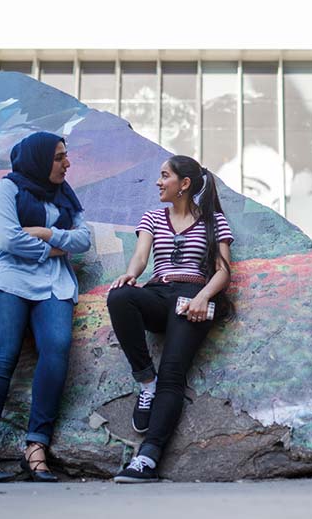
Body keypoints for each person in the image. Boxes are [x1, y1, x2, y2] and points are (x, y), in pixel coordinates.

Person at [0, 131, 91, 483]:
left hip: (53, 283)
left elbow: (83, 239)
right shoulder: (6, 189)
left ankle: (36, 446)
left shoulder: (65, 195)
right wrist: (53, 249)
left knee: (56, 350)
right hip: (7, 279)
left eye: (66, 155)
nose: (66, 163)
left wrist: (46, 233)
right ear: (38, 159)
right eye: (58, 157)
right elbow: (7, 238)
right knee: (2, 356)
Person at [107, 155, 233, 484]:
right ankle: (145, 381)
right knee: (119, 296)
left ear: (184, 184)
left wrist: (203, 297)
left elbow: (223, 272)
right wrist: (130, 276)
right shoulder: (152, 218)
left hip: (192, 298)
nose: (158, 182)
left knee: (173, 375)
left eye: (165, 176)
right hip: (158, 293)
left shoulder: (214, 220)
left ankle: (147, 458)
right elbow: (140, 258)